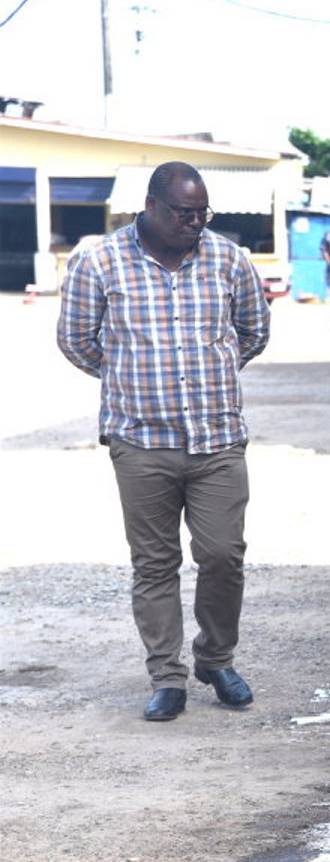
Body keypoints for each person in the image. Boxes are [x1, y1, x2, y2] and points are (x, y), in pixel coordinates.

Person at [55, 161, 271, 722]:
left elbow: (254, 331)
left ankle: (216, 659)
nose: (194, 223)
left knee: (224, 555)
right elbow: (76, 339)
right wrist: (130, 378)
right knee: (154, 564)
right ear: (149, 205)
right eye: (183, 212)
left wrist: (214, 372)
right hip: (141, 442)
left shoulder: (228, 258)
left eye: (203, 213)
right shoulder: (99, 260)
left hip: (217, 437)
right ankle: (167, 676)